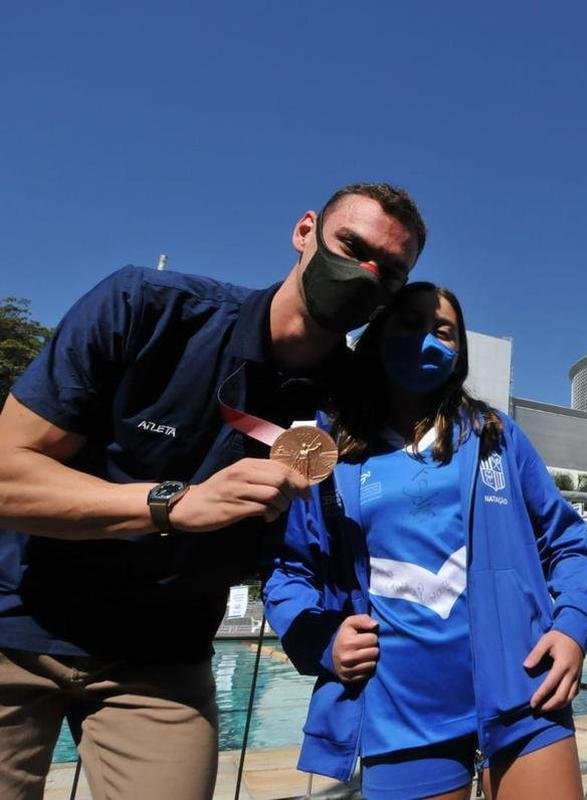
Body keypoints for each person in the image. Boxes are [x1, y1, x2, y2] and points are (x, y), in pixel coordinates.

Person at [0, 182, 425, 800]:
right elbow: (8, 475)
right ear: (304, 231)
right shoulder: (149, 309)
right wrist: (172, 504)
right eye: (351, 248)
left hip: (161, 657)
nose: (364, 275)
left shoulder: (355, 401)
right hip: (18, 620)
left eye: (389, 270)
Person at [263, 282, 587, 800]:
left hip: (524, 692)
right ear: (378, 335)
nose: (426, 340)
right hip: (401, 711)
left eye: (443, 331)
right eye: (409, 323)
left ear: (459, 352)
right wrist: (323, 642)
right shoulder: (330, 452)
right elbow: (290, 569)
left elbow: (568, 541)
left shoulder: (495, 435)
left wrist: (573, 625)